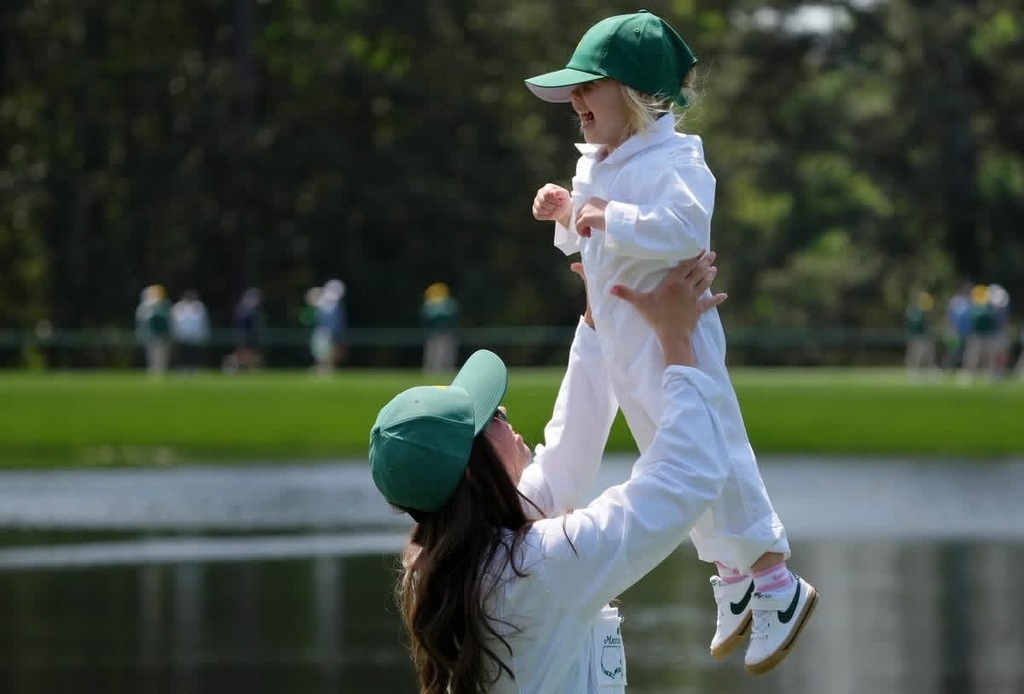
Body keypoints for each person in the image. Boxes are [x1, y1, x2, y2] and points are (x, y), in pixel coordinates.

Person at [525, 10, 816, 675]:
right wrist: (567, 215)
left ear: (632, 93)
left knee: (715, 449)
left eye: (588, 87)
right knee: (668, 458)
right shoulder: (597, 164)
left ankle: (776, 580)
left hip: (676, 333)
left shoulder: (676, 158)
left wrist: (608, 214)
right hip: (625, 343)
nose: (575, 101)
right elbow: (590, 239)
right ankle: (733, 575)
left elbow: (685, 229)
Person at [370, 253, 795, 693]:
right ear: (473, 474)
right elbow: (686, 477)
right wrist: (675, 340)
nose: (504, 410)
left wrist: (597, 321)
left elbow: (563, 463)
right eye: (491, 417)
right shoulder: (539, 565)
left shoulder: (447, 559)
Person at [420, 282, 460, 374]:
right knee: (433, 353)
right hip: (433, 334)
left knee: (446, 353)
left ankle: (446, 371)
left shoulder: (449, 304)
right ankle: (431, 371)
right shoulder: (429, 305)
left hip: (447, 334)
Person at [312, 279, 348, 375]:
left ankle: (328, 368)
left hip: (332, 332)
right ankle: (323, 368)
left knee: (331, 351)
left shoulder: (335, 306)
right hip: (324, 331)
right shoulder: (323, 305)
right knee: (322, 352)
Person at [134, 284, 172, 377]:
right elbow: (141, 321)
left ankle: (161, 370)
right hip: (150, 334)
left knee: (161, 353)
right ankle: (153, 370)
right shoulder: (145, 306)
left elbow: (169, 320)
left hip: (162, 334)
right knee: (151, 353)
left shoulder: (164, 304)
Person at [171, 289, 210, 373]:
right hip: (181, 336)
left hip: (194, 336)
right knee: (182, 354)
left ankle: (193, 369)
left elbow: (203, 322)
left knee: (193, 354)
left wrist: (203, 334)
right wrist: (175, 334)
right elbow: (174, 322)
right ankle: (182, 370)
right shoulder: (178, 307)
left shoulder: (199, 307)